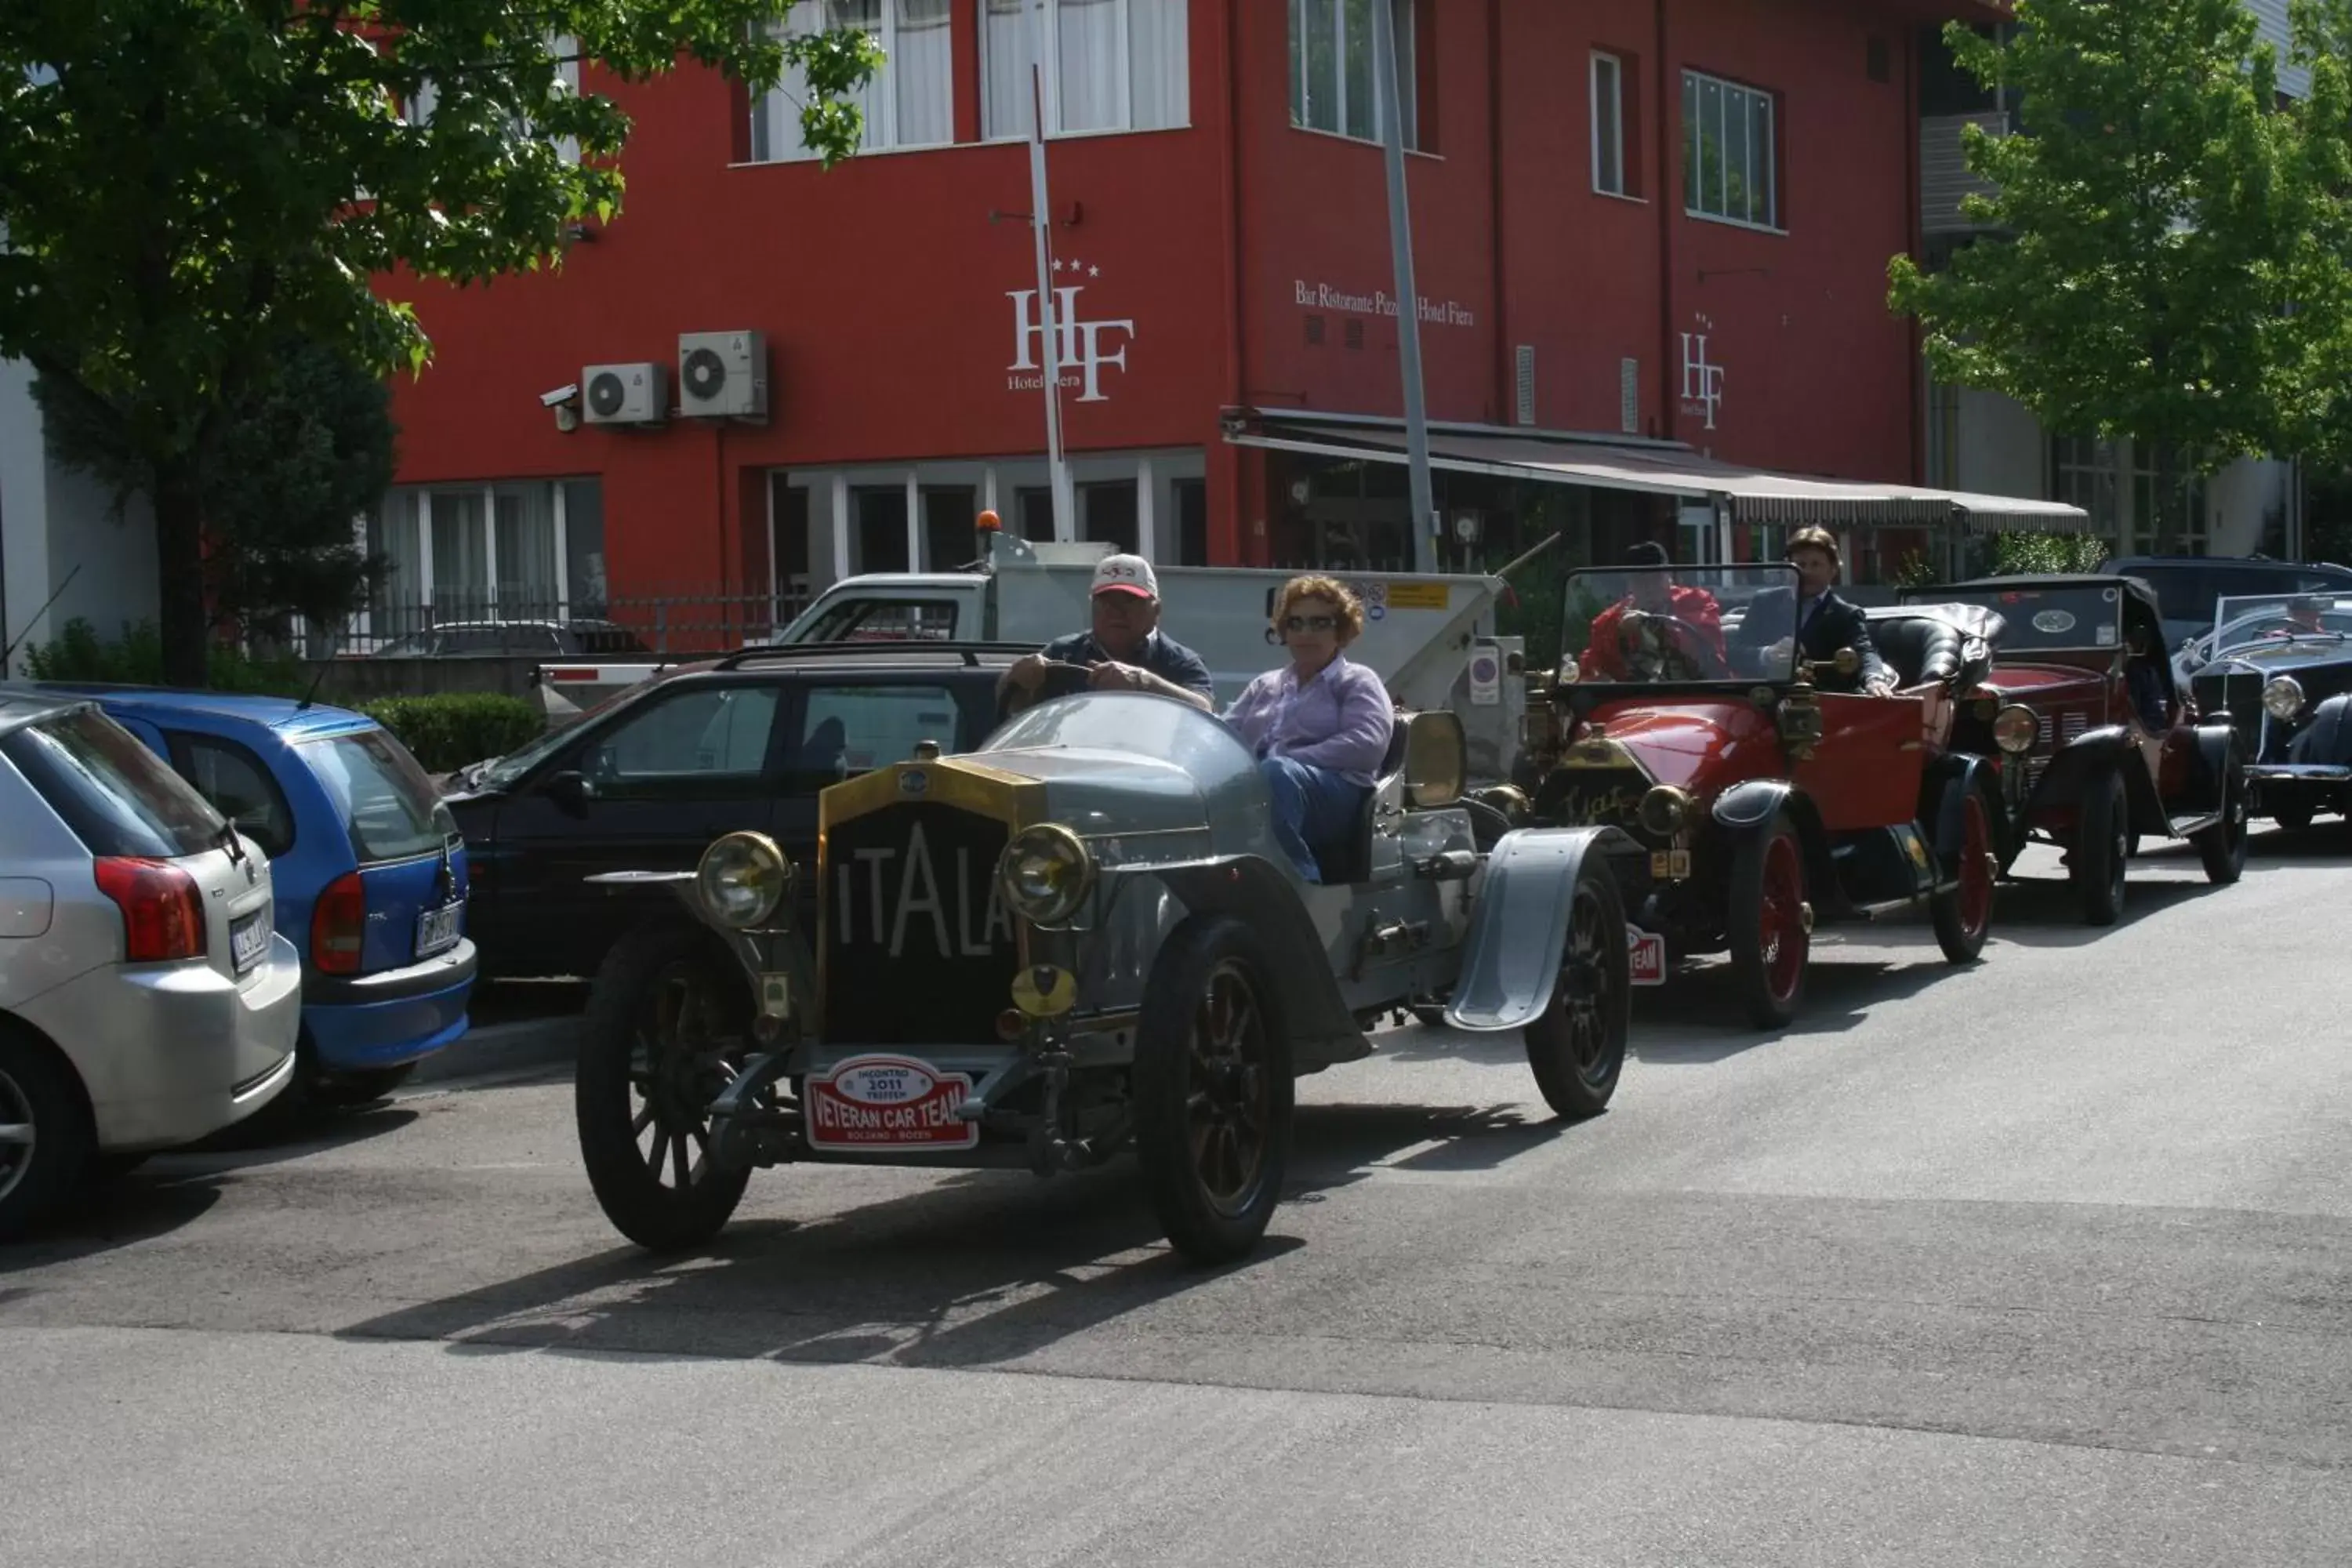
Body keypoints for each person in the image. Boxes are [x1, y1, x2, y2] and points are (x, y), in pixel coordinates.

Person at [1221, 575, 1397, 885]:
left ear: (1341, 631)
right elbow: (1224, 737)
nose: (1305, 633)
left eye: (1319, 623)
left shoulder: (1357, 681)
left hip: (1338, 796)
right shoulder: (1266, 684)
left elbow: (1367, 745)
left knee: (1276, 772)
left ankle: (1298, 885)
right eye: (1296, 623)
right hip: (1262, 787)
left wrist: (1288, 757)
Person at [998, 554, 1216, 712]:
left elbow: (1204, 709)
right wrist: (1016, 677)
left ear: (1156, 610)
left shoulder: (1179, 661)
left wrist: (1145, 683)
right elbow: (1008, 704)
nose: (1115, 612)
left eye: (1130, 601)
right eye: (1105, 602)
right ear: (1092, 607)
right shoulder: (1063, 652)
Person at [1728, 527, 1895, 695]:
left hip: (1819, 704)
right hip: (1764, 699)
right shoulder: (1765, 603)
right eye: (1800, 565)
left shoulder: (1846, 614)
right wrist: (1766, 654)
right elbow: (1735, 652)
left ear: (1833, 569)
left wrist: (1874, 680)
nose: (1807, 572)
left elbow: (1864, 652)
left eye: (1816, 565)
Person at [1578, 543, 1730, 681]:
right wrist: (1596, 676)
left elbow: (1705, 648)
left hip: (1697, 691)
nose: (1649, 587)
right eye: (1640, 580)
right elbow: (1591, 665)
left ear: (1669, 577)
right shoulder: (1609, 621)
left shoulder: (1698, 601)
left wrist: (1651, 625)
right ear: (1629, 584)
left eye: (1655, 578)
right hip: (1635, 700)